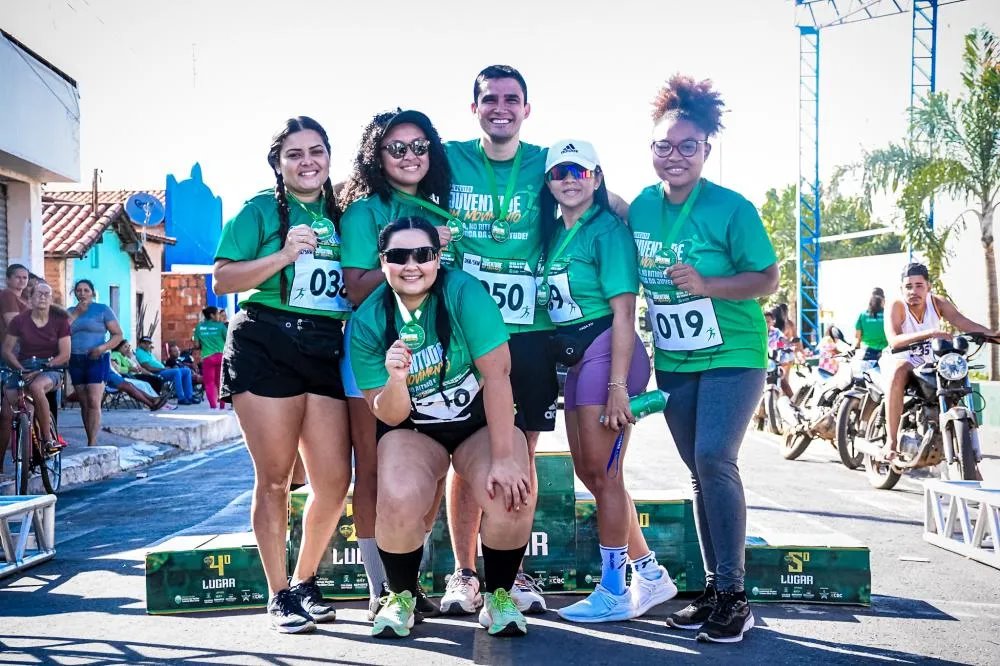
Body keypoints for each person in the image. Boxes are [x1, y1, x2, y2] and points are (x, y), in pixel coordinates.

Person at [629, 75, 778, 643]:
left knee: (717, 456)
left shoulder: (731, 208)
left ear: (706, 149)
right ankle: (716, 588)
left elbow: (767, 278)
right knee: (699, 470)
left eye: (687, 146)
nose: (675, 156)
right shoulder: (640, 207)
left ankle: (735, 594)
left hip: (733, 353)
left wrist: (708, 283)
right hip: (675, 359)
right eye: (664, 146)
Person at [350, 217, 534, 639]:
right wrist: (396, 379)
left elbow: (498, 374)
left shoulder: (463, 292)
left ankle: (499, 595)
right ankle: (400, 596)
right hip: (416, 429)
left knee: (510, 489)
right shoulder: (369, 320)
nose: (411, 265)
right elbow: (389, 415)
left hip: (477, 422)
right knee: (395, 494)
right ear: (383, 262)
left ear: (437, 258)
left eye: (423, 255)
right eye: (398, 256)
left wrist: (505, 458)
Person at [212, 116, 352, 634]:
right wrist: (285, 254)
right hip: (266, 338)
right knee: (274, 479)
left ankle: (304, 579)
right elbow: (223, 276)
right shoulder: (260, 210)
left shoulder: (344, 212)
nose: (307, 161)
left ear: (329, 158)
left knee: (334, 482)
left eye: (317, 151)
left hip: (324, 347)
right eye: (295, 154)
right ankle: (277, 594)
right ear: (278, 162)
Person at [530, 140, 676, 623]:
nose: (569, 179)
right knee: (592, 474)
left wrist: (618, 386)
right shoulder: (552, 232)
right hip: (576, 361)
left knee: (605, 476)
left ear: (596, 177)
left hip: (608, 355)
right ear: (548, 183)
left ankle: (614, 588)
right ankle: (650, 574)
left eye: (580, 171)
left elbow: (624, 312)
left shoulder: (608, 231)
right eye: (559, 172)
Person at [439, 64, 555, 616]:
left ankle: (513, 572)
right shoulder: (449, 156)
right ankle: (464, 574)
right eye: (490, 98)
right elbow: (395, 172)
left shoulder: (547, 162)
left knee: (520, 455)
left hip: (528, 334)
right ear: (474, 108)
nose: (501, 107)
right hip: (462, 333)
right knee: (468, 458)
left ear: (527, 109)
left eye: (512, 98)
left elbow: (601, 195)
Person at [340, 108, 456, 618]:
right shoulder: (365, 212)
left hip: (439, 359)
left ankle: (410, 583)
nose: (410, 156)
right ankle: (378, 587)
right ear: (376, 155)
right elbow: (357, 287)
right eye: (397, 147)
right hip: (371, 356)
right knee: (371, 469)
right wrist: (418, 252)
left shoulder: (445, 213)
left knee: (427, 473)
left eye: (419, 146)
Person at [880, 262, 997, 463]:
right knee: (900, 370)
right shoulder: (897, 305)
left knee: (955, 376)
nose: (913, 291)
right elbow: (894, 340)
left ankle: (965, 450)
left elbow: (964, 323)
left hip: (930, 362)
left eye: (919, 285)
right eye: (908, 286)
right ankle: (890, 442)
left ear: (928, 287)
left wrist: (991, 334)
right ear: (901, 289)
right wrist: (931, 333)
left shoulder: (938, 303)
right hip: (901, 358)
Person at [2, 282, 71, 451]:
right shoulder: (19, 321)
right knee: (6, 412)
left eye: (47, 294)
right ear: (30, 299)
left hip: (50, 368)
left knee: (36, 386)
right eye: (39, 294)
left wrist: (45, 366)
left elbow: (65, 354)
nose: (43, 297)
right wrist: (20, 368)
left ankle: (48, 440)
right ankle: (1, 466)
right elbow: (7, 350)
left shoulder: (60, 321)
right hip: (23, 367)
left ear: (51, 299)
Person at [66, 279, 124, 446]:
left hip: (97, 358)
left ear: (92, 292)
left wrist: (102, 348)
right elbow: (61, 333)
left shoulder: (102, 309)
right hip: (75, 359)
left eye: (86, 290)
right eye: (79, 290)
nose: (82, 293)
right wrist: (76, 313)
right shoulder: (70, 312)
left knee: (93, 400)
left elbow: (118, 334)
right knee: (84, 402)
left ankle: (93, 441)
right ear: (75, 293)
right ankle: (88, 436)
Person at [0, 263, 31, 470]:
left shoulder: (23, 300)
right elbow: (13, 323)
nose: (22, 281)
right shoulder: (7, 296)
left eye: (25, 277)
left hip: (22, 355)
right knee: (8, 410)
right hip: (8, 355)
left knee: (20, 408)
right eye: (18, 277)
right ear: (9, 279)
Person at [135, 337, 196, 405]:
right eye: (145, 343)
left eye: (149, 343)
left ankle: (189, 397)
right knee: (176, 372)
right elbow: (148, 368)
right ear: (140, 343)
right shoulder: (140, 352)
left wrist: (164, 367)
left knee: (186, 371)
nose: (147, 345)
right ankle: (181, 398)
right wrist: (163, 369)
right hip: (156, 373)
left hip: (163, 370)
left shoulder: (148, 352)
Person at [193, 306, 227, 409]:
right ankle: (222, 406)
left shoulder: (199, 327)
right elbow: (228, 340)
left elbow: (196, 345)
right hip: (221, 357)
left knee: (209, 383)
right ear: (212, 315)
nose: (219, 316)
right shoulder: (221, 326)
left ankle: (213, 406)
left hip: (208, 358)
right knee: (220, 382)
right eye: (217, 313)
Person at [855, 288, 888, 362]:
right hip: (885, 353)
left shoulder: (862, 315)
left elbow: (857, 338)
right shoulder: (888, 314)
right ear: (883, 300)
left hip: (866, 352)